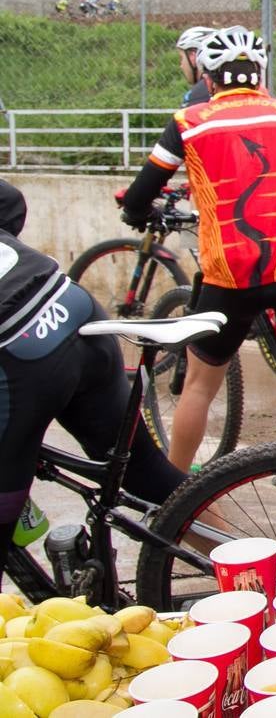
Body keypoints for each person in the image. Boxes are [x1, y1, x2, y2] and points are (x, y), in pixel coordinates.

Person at [119, 26, 276, 554]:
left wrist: (137, 213)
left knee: (199, 387)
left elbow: (141, 195)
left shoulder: (188, 122)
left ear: (207, 76)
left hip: (229, 278)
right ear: (261, 74)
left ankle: (171, 503)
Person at [0, 179, 188, 581]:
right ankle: (246, 561)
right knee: (147, 472)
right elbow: (10, 200)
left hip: (17, 348)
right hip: (67, 303)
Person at [176, 25, 215, 107]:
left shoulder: (198, 94)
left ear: (193, 56)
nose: (181, 65)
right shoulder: (226, 85)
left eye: (181, 58)